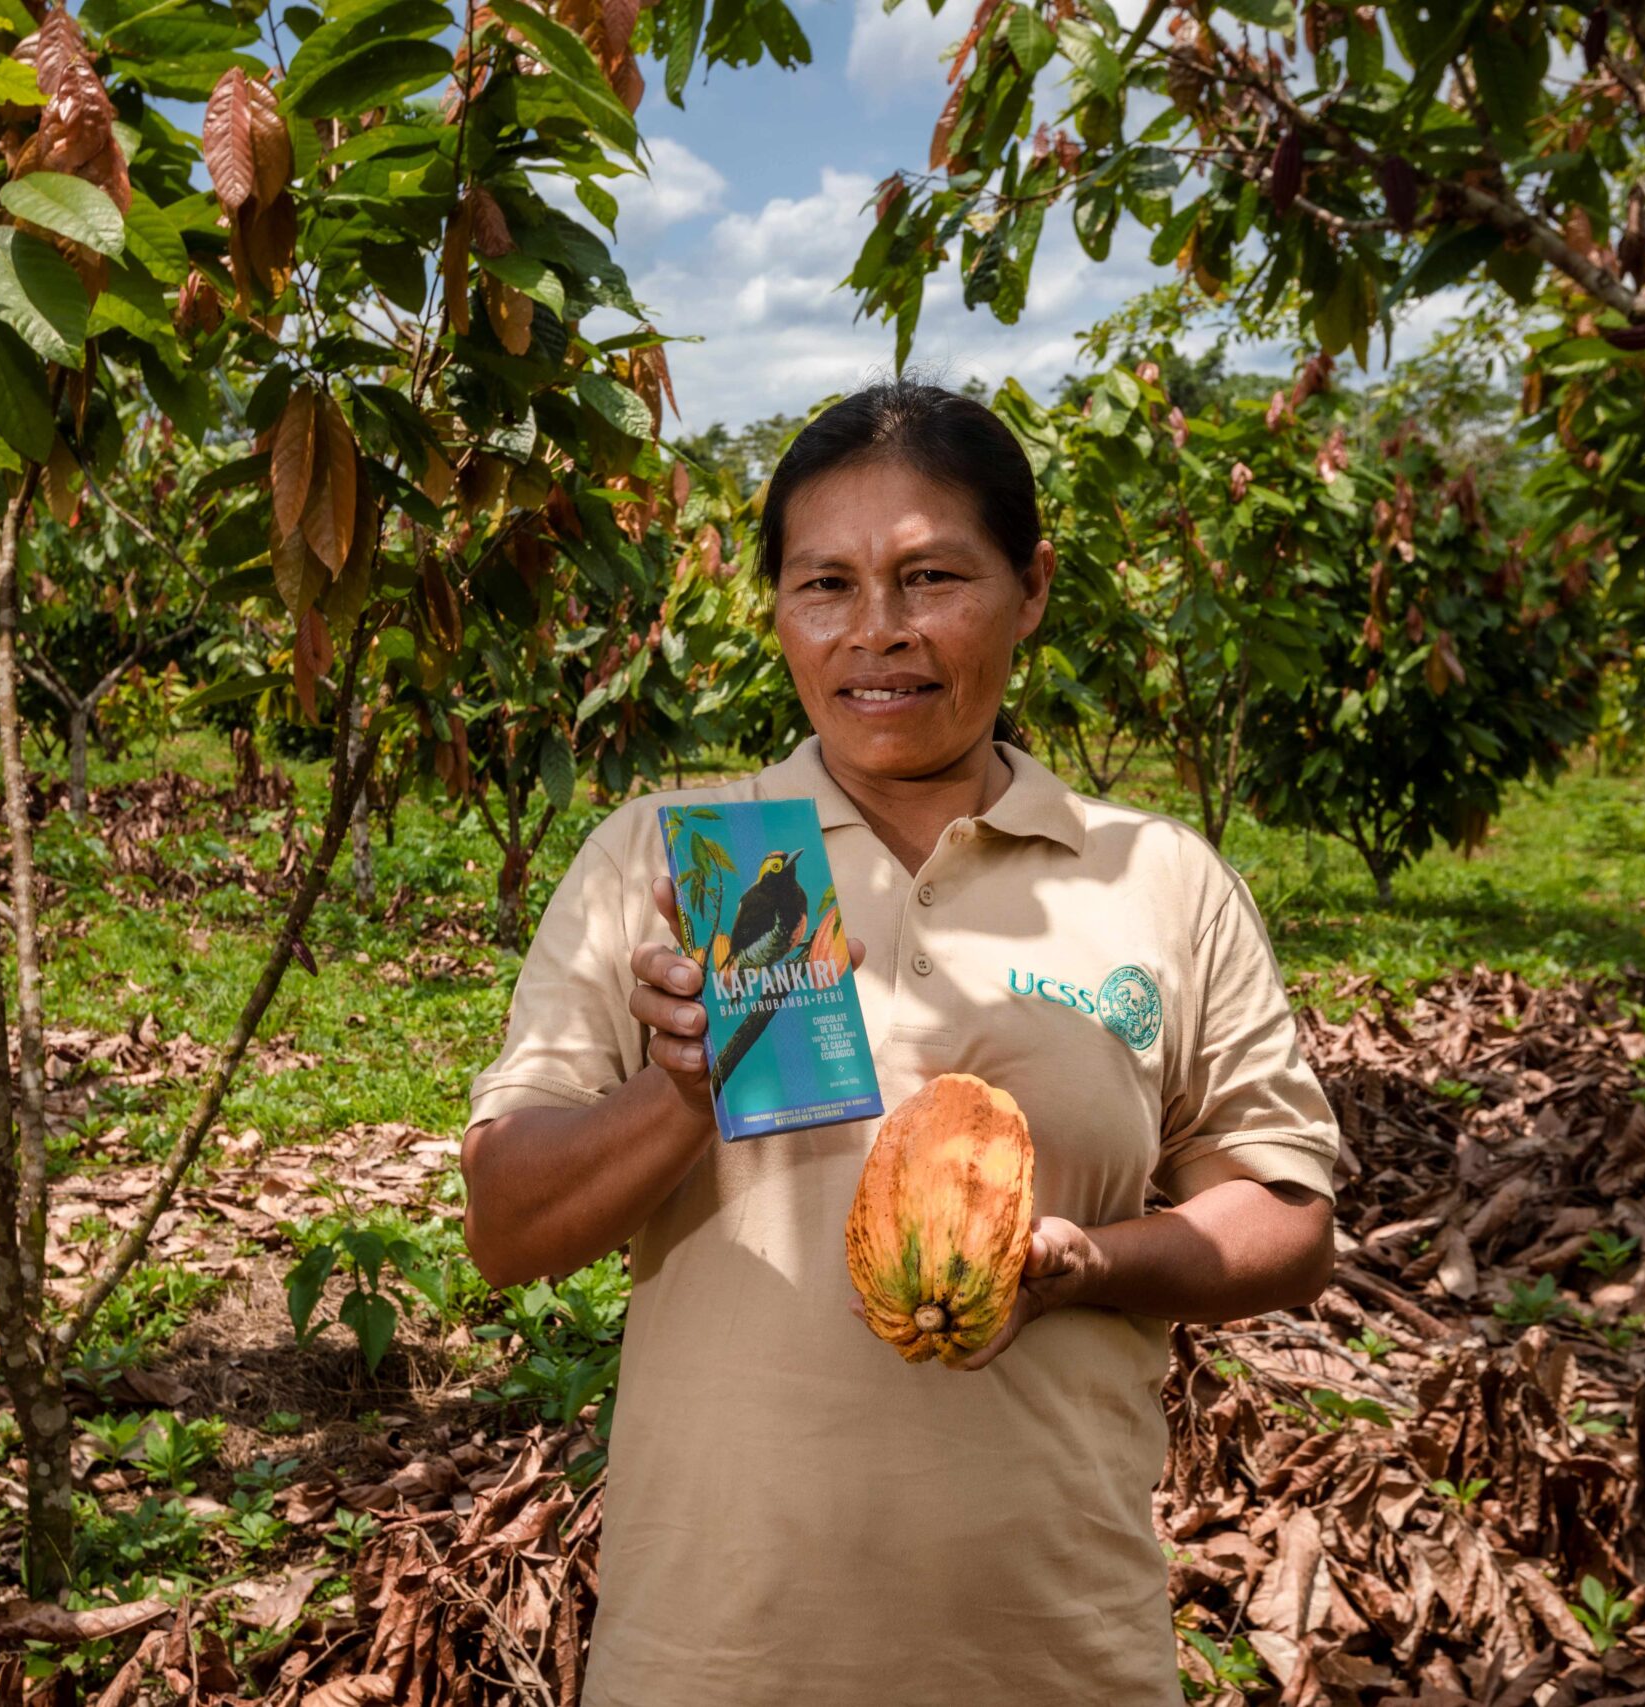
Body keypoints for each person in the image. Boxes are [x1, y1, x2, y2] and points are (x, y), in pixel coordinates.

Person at [459, 377, 1341, 1705]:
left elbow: (1286, 1220)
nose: (880, 634)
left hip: (1057, 1658)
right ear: (778, 609)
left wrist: (1083, 1263)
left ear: (1031, 585)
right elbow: (507, 1229)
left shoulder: (1151, 877)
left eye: (932, 577)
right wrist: (685, 1093)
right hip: (719, 1661)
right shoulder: (688, 858)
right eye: (827, 585)